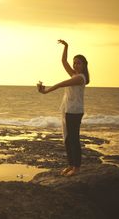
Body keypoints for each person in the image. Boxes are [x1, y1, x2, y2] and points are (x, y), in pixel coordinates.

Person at [37, 39, 89, 176]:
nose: (76, 65)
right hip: (67, 110)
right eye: (75, 62)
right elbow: (64, 62)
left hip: (75, 111)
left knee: (73, 139)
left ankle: (76, 168)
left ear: (84, 65)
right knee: (67, 138)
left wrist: (46, 91)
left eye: (79, 63)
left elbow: (61, 84)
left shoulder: (80, 78)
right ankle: (70, 165)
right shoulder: (74, 74)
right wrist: (66, 46)